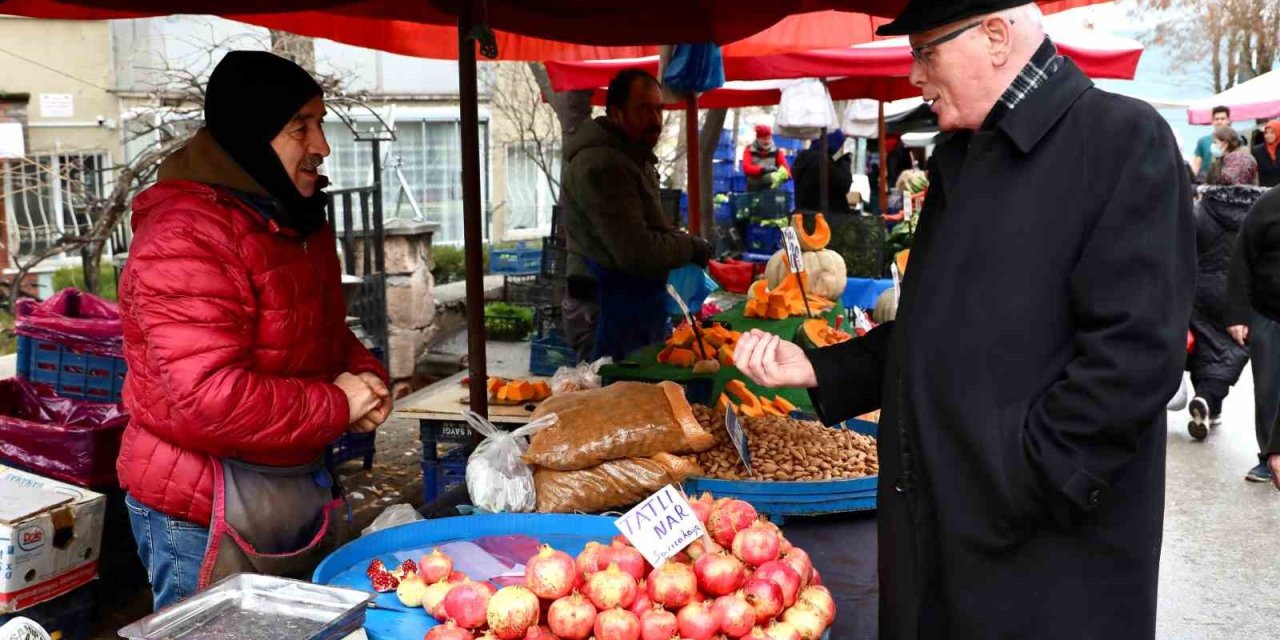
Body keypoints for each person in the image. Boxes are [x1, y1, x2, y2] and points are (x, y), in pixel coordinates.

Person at [732, 2, 1192, 637]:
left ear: (996, 37)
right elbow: (933, 328)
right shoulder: (963, 156)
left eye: (925, 51)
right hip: (945, 532)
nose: (915, 75)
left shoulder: (1121, 141)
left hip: (1044, 559)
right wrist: (820, 364)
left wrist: (1023, 481)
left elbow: (1136, 356)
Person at [116, 51, 391, 610]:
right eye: (300, 128)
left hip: (288, 485)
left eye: (321, 123)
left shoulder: (289, 217)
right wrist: (336, 404)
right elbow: (207, 396)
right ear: (251, 134)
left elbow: (317, 332)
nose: (321, 145)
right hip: (201, 503)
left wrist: (363, 373)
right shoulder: (185, 235)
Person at [559, 69, 713, 361]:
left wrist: (680, 242)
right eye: (643, 109)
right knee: (616, 401)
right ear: (616, 113)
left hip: (629, 306)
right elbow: (635, 251)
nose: (655, 119)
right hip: (605, 309)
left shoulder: (631, 155)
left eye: (658, 109)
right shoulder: (604, 166)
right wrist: (689, 247)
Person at [1186, 153, 1266, 440]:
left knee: (1205, 345)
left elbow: (1185, 248)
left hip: (1200, 290)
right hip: (1242, 295)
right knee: (1228, 352)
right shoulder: (1263, 210)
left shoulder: (1202, 207)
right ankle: (1209, 400)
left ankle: (1207, 402)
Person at [1227, 182, 1280, 483]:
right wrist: (1237, 314)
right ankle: (1267, 456)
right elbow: (1241, 259)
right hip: (1268, 313)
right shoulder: (1269, 204)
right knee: (1269, 387)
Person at [791, 129, 853, 213]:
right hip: (828, 218)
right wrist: (844, 159)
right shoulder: (826, 163)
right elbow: (844, 185)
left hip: (804, 216)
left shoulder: (804, 159)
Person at [742, 124, 791, 192]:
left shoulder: (777, 151)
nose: (767, 141)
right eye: (764, 139)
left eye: (769, 138)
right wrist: (763, 170)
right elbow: (746, 168)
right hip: (754, 186)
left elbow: (785, 168)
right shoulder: (749, 150)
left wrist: (786, 176)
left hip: (771, 188)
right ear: (758, 138)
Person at [1194, 106, 1234, 181]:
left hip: (1229, 178)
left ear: (1228, 120)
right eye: (1216, 119)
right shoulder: (1203, 141)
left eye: (1222, 119)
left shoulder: (1236, 140)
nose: (1219, 122)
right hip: (1205, 179)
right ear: (1212, 121)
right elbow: (1196, 164)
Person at [1252, 119, 1280, 188]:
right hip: (1264, 190)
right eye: (1266, 133)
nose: (1268, 135)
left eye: (1272, 132)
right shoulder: (1257, 150)